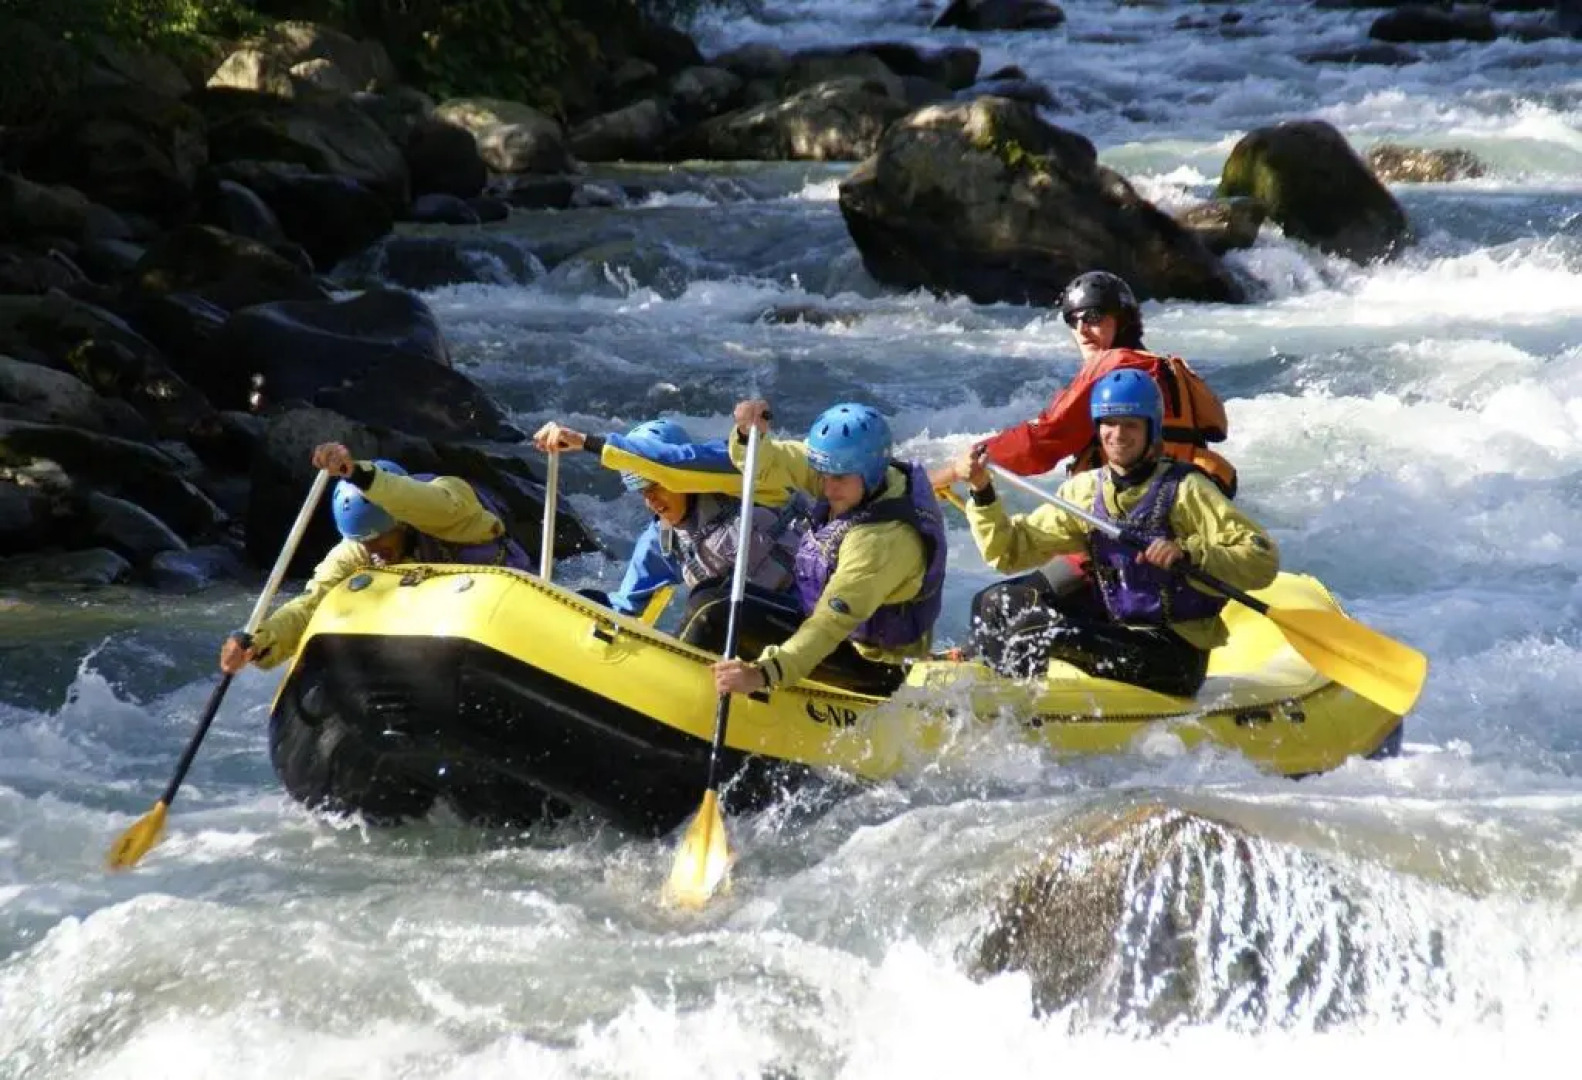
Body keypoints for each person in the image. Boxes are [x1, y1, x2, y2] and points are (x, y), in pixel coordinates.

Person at [958, 370, 1278, 697]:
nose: (1118, 435)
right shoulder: (1086, 490)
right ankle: (998, 697)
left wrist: (1189, 553)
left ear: (1151, 429)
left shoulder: (1186, 488)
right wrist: (982, 493)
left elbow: (1261, 559)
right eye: (1109, 424)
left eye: (1131, 425)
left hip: (1171, 653)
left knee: (1040, 633)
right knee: (996, 603)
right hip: (1116, 629)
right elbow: (1009, 551)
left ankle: (1022, 716)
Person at [218, 442, 531, 674]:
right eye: (366, 542)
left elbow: (412, 499)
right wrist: (258, 642)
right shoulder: (358, 547)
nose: (375, 550)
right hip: (436, 645)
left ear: (401, 522)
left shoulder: (450, 504)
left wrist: (357, 473)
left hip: (501, 617)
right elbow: (311, 604)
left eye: (381, 538)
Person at [705, 400, 948, 698]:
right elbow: (771, 464)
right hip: (830, 631)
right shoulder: (850, 475)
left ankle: (715, 698)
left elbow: (829, 625)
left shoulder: (881, 542)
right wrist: (748, 435)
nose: (827, 488)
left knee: (714, 615)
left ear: (870, 472)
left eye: (838, 478)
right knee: (712, 595)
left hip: (873, 667)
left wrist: (764, 674)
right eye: (823, 474)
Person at [931, 270, 1238, 498]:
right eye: (1072, 320)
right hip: (1179, 511)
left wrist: (956, 469)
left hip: (1132, 522)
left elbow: (1042, 442)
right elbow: (1217, 429)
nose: (1081, 330)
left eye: (1093, 317)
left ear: (1123, 320)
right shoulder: (1172, 368)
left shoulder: (1114, 368)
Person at [530, 417, 805, 621]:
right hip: (759, 635)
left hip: (815, 611)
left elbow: (678, 462)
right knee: (708, 607)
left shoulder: (739, 480)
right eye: (643, 492)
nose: (651, 500)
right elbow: (624, 609)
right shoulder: (661, 542)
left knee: (709, 603)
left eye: (657, 486)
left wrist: (584, 441)